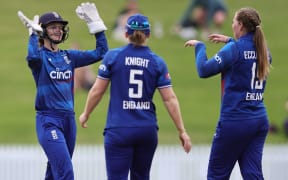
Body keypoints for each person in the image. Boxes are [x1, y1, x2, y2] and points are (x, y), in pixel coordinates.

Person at [79, 14, 192, 180]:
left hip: (119, 129)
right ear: (148, 34)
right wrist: (182, 131)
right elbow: (170, 99)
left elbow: (97, 90)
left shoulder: (113, 57)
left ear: (126, 34)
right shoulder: (157, 62)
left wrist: (86, 113)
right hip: (146, 129)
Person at [17, 2, 108, 179]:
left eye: (60, 27)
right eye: (53, 27)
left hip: (69, 121)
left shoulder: (69, 56)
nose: (58, 30)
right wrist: (33, 36)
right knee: (66, 173)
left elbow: (101, 52)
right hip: (48, 121)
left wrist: (96, 26)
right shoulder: (40, 58)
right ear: (43, 31)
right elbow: (32, 58)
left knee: (54, 172)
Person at [184, 7, 271, 179]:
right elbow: (247, 55)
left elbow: (204, 70)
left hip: (235, 121)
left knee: (216, 175)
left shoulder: (234, 50)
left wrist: (200, 47)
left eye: (233, 22)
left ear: (240, 25)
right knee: (253, 175)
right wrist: (231, 41)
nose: (231, 25)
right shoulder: (264, 51)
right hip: (258, 120)